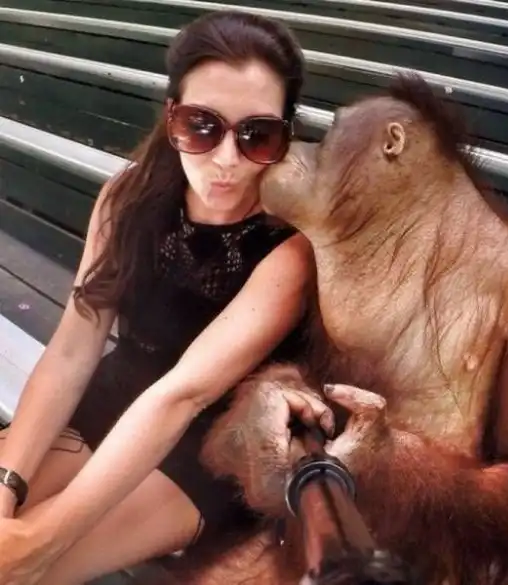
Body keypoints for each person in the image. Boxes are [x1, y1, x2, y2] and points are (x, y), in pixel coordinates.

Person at [0, 10, 315, 585]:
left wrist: (41, 542)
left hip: (209, 449)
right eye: (202, 126)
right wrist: (8, 483)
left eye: (258, 135)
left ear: (285, 136)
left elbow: (184, 395)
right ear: (172, 117)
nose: (226, 159)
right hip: (113, 398)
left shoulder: (287, 250)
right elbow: (73, 348)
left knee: (24, 568)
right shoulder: (128, 199)